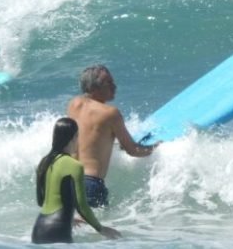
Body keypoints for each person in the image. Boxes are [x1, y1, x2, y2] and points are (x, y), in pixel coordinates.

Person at [66, 64, 157, 208]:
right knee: (96, 223)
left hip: (68, 180)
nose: (114, 86)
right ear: (93, 88)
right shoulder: (110, 113)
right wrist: (156, 148)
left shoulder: (74, 104)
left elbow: (88, 136)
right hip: (90, 184)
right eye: (108, 83)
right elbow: (133, 150)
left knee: (72, 222)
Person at [32, 117, 121, 244]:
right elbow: (82, 206)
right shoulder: (74, 165)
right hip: (57, 230)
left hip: (39, 229)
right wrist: (101, 229)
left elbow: (41, 201)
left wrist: (69, 217)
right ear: (73, 137)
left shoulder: (44, 162)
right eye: (77, 136)